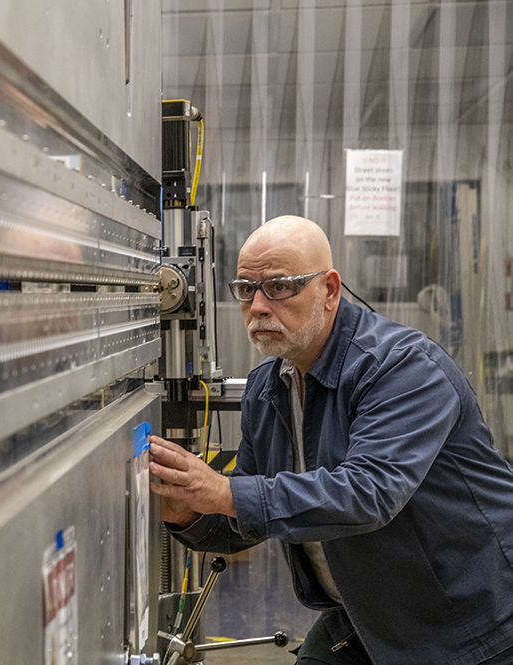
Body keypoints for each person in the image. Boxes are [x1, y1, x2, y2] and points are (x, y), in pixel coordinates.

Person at [148, 215, 513, 664]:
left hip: (469, 620)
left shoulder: (402, 369)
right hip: (360, 616)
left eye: (280, 286)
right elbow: (247, 515)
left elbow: (369, 493)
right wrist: (185, 509)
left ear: (330, 290)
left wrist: (223, 492)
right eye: (246, 289)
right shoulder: (268, 388)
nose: (259, 305)